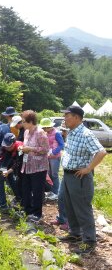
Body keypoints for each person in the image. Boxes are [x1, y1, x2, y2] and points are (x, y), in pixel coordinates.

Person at [58, 106, 106, 255]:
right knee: (69, 205)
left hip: (79, 177)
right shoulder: (71, 133)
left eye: (68, 116)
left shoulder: (86, 134)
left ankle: (89, 241)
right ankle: (75, 233)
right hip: (68, 175)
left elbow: (101, 152)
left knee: (82, 208)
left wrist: (88, 169)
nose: (65, 119)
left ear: (77, 117)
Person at [18, 110, 50, 222]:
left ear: (31, 121)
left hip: (39, 167)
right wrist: (22, 147)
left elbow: (46, 150)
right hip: (27, 165)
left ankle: (37, 214)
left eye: (24, 122)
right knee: (25, 188)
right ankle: (27, 210)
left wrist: (30, 149)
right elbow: (25, 145)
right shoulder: (26, 132)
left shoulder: (40, 133)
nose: (22, 124)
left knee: (37, 190)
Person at [0, 133, 23, 209]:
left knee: (14, 181)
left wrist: (9, 171)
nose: (6, 148)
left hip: (18, 163)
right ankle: (2, 204)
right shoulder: (4, 145)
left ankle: (19, 198)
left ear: (14, 143)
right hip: (7, 160)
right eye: (5, 146)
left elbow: (17, 163)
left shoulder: (19, 147)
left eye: (9, 146)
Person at [39, 118, 64, 200]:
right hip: (47, 156)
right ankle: (51, 191)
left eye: (45, 128)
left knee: (54, 175)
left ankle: (56, 192)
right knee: (49, 174)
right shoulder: (45, 133)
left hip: (55, 157)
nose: (44, 129)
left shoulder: (56, 133)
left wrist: (54, 151)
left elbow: (61, 145)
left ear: (49, 126)